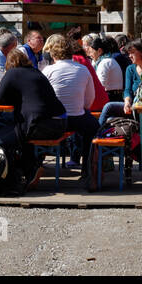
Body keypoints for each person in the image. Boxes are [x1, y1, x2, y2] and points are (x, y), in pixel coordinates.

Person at [0, 48, 68, 190]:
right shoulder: (36, 72)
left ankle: (7, 178)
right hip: (61, 123)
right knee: (20, 134)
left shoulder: (12, 73)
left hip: (41, 125)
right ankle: (30, 170)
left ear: (9, 64)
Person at [42, 35, 99, 188]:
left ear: (53, 54)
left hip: (55, 120)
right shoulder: (83, 69)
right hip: (77, 118)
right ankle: (88, 170)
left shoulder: (48, 71)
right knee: (94, 128)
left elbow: (43, 99)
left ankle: (38, 166)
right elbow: (89, 101)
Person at [98, 39, 142, 127]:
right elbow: (127, 90)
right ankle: (97, 136)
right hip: (134, 106)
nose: (129, 56)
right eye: (128, 53)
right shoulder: (130, 69)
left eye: (132, 52)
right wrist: (127, 102)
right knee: (109, 107)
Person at [89, 35, 125, 102]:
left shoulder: (105, 63)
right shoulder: (108, 60)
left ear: (99, 51)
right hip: (115, 96)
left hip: (111, 98)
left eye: (91, 51)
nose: (90, 54)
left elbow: (100, 85)